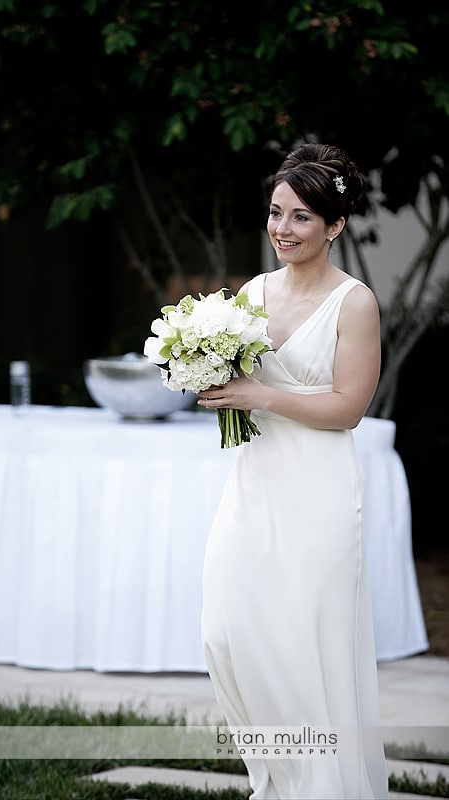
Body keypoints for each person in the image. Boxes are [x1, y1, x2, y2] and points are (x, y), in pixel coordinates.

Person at [199, 142, 389, 799]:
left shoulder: (353, 302)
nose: (282, 228)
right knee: (226, 632)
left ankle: (323, 786)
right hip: (253, 487)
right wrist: (207, 375)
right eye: (276, 213)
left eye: (301, 217)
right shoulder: (253, 292)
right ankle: (279, 779)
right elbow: (242, 380)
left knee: (309, 646)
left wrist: (260, 397)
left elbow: (347, 409)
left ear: (334, 225)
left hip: (319, 492)